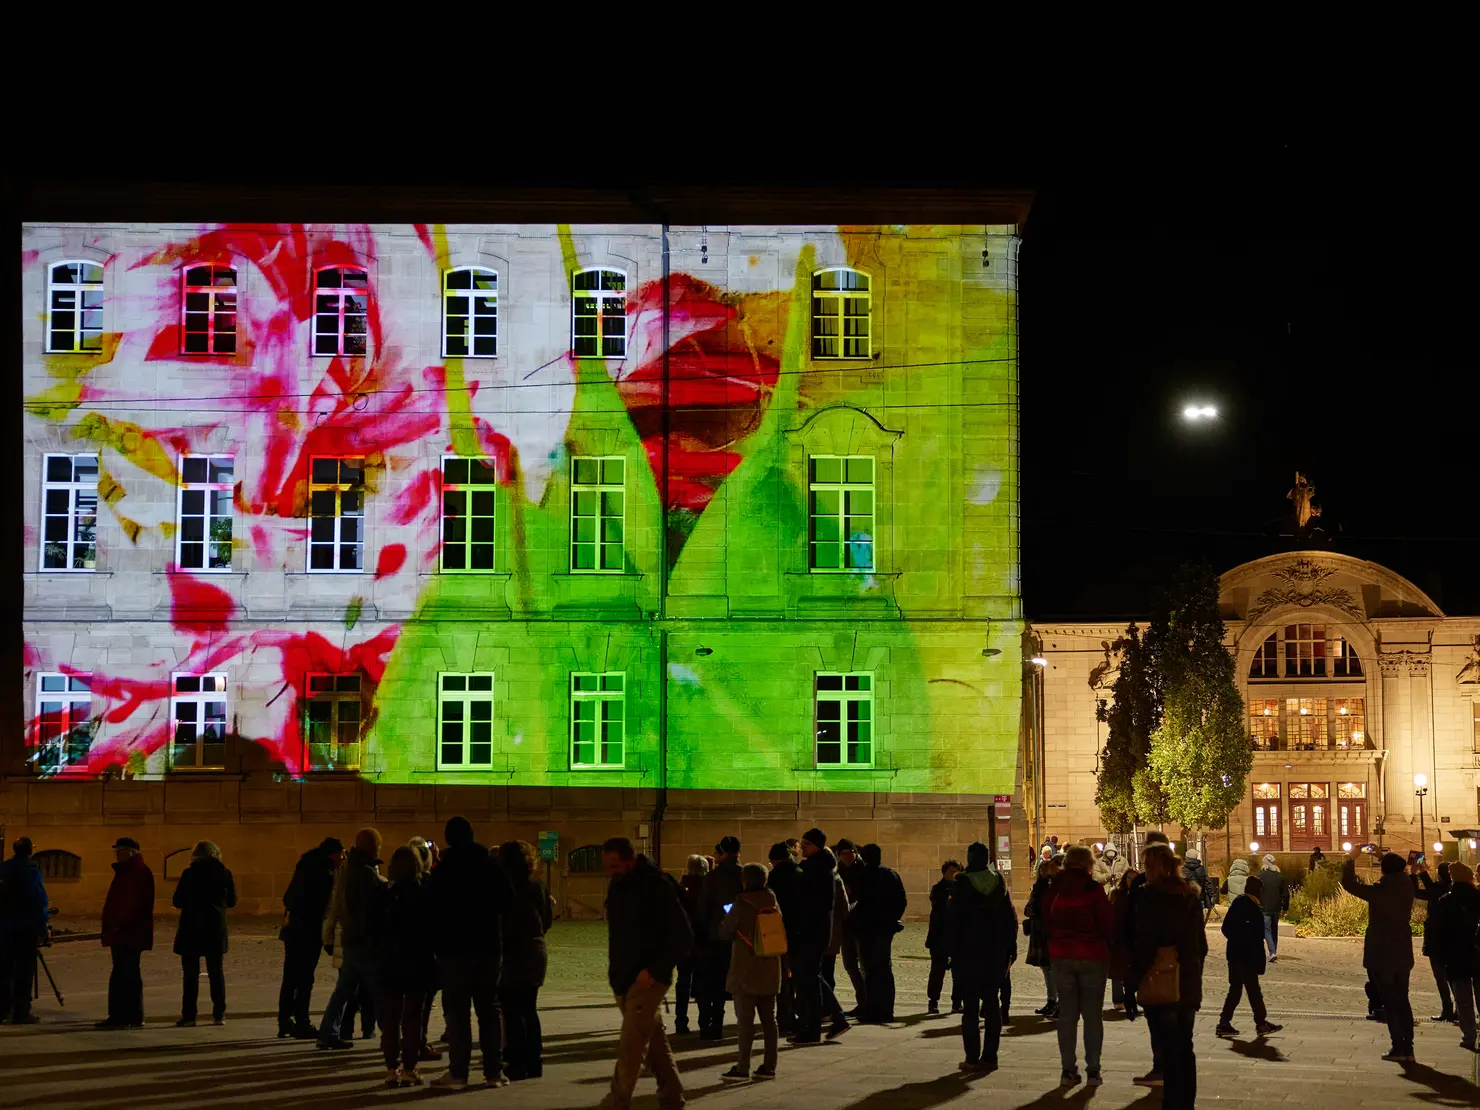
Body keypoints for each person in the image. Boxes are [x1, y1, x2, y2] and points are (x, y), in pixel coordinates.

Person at [600, 836, 691, 1110]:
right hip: (625, 977)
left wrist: (654, 971)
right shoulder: (618, 885)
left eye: (614, 865)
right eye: (607, 865)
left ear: (629, 860)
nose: (610, 870)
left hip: (647, 978)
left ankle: (616, 1102)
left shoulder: (655, 884)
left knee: (631, 1046)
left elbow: (682, 935)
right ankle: (671, 1095)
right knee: (654, 1044)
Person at [424, 816, 513, 1089]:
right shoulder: (490, 865)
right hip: (487, 948)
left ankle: (459, 1072)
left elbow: (431, 910)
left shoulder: (443, 870)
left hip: (454, 951)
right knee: (489, 1010)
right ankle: (493, 1072)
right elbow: (507, 903)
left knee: (458, 1013)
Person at [1129, 845, 1207, 1110]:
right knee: (1185, 1047)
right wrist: (1193, 975)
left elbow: (1144, 945)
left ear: (1154, 867)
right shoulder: (1190, 896)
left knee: (1167, 1045)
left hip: (1160, 979)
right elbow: (1201, 945)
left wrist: (1131, 982)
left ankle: (1172, 1104)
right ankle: (1185, 1104)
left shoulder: (1149, 897)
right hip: (1186, 980)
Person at [1043, 844, 1114, 1088]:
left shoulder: (1055, 888)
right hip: (1093, 956)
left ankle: (1067, 1069)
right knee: (1093, 1016)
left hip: (1061, 957)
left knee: (1068, 1015)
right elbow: (1107, 921)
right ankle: (1093, 1070)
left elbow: (1044, 919)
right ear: (1088, 864)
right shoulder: (1093, 889)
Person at [1341, 849, 1416, 1061]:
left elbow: (1350, 885)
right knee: (1403, 999)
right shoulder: (1406, 885)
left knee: (1390, 1002)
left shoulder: (1381, 891)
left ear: (1384, 871)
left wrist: (1350, 859)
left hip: (1383, 952)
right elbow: (1397, 869)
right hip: (1402, 949)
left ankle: (1398, 1047)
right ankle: (1408, 1047)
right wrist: (1382, 857)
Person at [371, 846, 436, 1087]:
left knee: (391, 1018)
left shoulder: (384, 893)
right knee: (413, 1017)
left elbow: (373, 928)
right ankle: (409, 1067)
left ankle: (391, 1068)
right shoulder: (425, 893)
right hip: (418, 961)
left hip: (390, 962)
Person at [949, 842, 1016, 1073]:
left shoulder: (962, 883)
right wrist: (1010, 948)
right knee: (991, 1003)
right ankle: (991, 1057)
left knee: (970, 1007)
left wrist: (952, 952)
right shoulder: (999, 882)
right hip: (995, 951)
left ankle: (971, 1058)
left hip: (968, 952)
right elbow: (1010, 918)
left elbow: (954, 922)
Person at [317, 827, 386, 1050]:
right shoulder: (366, 873)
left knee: (344, 989)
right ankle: (393, 1035)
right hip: (364, 941)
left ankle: (327, 1032)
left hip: (350, 937)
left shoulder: (348, 868)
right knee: (378, 991)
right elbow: (374, 908)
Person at [718, 863, 783, 1081]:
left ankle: (742, 1066)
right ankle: (770, 1065)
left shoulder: (741, 902)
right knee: (769, 1019)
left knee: (745, 1021)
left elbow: (725, 931)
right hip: (770, 965)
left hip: (746, 967)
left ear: (745, 880)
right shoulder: (772, 900)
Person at [277, 837, 342, 1038]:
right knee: (305, 978)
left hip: (294, 929)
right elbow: (325, 906)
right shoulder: (323, 873)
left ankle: (284, 1021)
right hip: (309, 931)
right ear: (332, 854)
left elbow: (288, 898)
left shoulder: (305, 866)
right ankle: (302, 1022)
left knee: (290, 977)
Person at [498, 840, 552, 1081]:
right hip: (535, 949)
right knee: (528, 1008)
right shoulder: (536, 887)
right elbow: (546, 919)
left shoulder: (504, 889)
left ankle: (517, 1062)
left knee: (512, 1009)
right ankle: (535, 1060)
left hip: (513, 952)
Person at [171, 841, 236, 1027]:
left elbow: (178, 900)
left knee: (190, 974)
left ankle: (189, 1015)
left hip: (191, 927)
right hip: (215, 928)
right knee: (216, 972)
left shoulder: (189, 874)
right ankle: (219, 1014)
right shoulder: (224, 874)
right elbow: (232, 901)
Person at [1124, 829, 1169, 1088]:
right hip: (1179, 970)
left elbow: (1131, 931)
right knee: (1176, 1027)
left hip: (1152, 968)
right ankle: (1172, 1071)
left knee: (1157, 1019)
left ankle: (1161, 1067)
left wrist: (1132, 976)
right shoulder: (1184, 887)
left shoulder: (1142, 889)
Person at [789, 828, 842, 1045]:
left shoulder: (812, 868)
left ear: (816, 846)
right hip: (818, 930)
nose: (801, 848)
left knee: (808, 979)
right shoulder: (823, 867)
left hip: (810, 930)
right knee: (813, 976)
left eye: (805, 844)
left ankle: (813, 1029)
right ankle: (836, 1017)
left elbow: (804, 901)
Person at [98, 836, 154, 1029]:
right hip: (130, 932)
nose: (116, 854)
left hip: (126, 932)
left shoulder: (133, 872)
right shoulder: (134, 871)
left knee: (122, 974)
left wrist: (116, 924)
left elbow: (127, 903)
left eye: (119, 850)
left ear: (129, 852)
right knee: (130, 973)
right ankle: (134, 1014)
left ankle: (120, 1016)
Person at [1215, 874, 1282, 1036]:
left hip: (1236, 955)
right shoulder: (1249, 907)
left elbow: (1227, 929)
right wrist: (1245, 943)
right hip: (1246, 957)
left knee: (1236, 989)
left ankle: (1224, 1023)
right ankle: (1260, 1023)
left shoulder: (1241, 904)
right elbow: (1251, 935)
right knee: (1253, 991)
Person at [695, 835, 743, 1040]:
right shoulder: (744, 875)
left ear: (723, 853)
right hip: (740, 938)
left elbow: (703, 910)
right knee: (729, 983)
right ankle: (723, 1024)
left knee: (709, 983)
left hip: (714, 937)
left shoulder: (713, 878)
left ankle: (708, 1024)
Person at [852, 843, 906, 1023]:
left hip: (867, 928)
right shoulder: (890, 875)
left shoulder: (863, 875)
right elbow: (901, 900)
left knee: (870, 969)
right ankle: (887, 1010)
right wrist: (892, 919)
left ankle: (872, 1010)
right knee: (884, 968)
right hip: (884, 928)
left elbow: (857, 900)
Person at [1428, 861, 1480, 1050]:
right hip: (1477, 953)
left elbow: (1439, 933)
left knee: (1463, 1000)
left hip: (1456, 957)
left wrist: (1441, 957)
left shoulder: (1445, 901)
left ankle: (1469, 1036)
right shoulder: (1477, 897)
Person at [0, 837, 49, 1024]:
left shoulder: (4, 868)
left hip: (4, 927)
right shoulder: (31, 871)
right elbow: (38, 900)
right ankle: (21, 1011)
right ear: (30, 851)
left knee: (4, 970)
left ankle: (2, 1009)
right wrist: (43, 925)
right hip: (25, 928)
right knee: (24, 971)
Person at [1413, 860, 1456, 1023]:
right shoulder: (1453, 889)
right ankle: (1457, 1008)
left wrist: (1419, 872)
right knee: (1452, 976)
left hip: (1437, 939)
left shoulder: (1440, 890)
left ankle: (1447, 1008)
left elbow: (1423, 891)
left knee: (1440, 975)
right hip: (1451, 939)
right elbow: (1421, 892)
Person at [765, 842, 799, 1034]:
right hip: (800, 931)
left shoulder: (776, 877)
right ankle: (797, 1014)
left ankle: (784, 1018)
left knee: (782, 977)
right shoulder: (801, 873)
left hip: (779, 931)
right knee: (795, 976)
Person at [834, 838, 867, 1017]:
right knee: (849, 963)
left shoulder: (863, 869)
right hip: (846, 924)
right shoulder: (839, 870)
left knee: (863, 963)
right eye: (842, 854)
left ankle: (866, 1001)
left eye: (849, 853)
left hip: (860, 924)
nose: (846, 856)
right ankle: (862, 999)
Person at [674, 854, 707, 1035]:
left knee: (683, 982)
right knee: (702, 982)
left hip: (685, 943)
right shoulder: (708, 888)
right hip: (703, 942)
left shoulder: (681, 889)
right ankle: (704, 1021)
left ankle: (681, 1020)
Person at [1024, 854, 1060, 1018]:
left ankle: (1058, 1002)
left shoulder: (1054, 886)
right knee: (1046, 968)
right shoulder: (1038, 886)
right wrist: (1029, 910)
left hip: (1049, 930)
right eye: (1043, 868)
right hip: (1039, 929)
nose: (1045, 871)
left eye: (1048, 868)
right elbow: (1029, 905)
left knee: (1053, 968)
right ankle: (1051, 1000)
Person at [926, 858, 962, 1015]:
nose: (953, 874)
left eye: (956, 871)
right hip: (939, 937)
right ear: (944, 872)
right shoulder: (938, 889)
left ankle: (957, 1002)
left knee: (959, 973)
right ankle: (933, 1001)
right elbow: (938, 907)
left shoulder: (962, 889)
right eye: (951, 871)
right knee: (937, 972)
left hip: (956, 937)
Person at [1108, 868, 1139, 1011]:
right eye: (1129, 878)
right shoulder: (1117, 894)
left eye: (1135, 878)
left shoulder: (1143, 895)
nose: (1132, 881)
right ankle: (1118, 998)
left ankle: (1130, 996)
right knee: (1117, 970)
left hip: (1135, 938)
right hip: (1119, 936)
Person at [1256, 855, 1289, 962]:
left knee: (1266, 929)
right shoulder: (1280, 877)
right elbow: (1285, 894)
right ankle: (1274, 950)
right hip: (1276, 907)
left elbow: (1256, 892)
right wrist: (1285, 908)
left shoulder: (1261, 876)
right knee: (1274, 929)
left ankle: (1272, 952)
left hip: (1264, 907)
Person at [1182, 849, 1211, 914]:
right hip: (1199, 898)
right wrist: (1211, 895)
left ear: (1186, 857)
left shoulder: (1182, 870)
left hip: (1186, 899)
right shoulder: (1202, 869)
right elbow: (1207, 884)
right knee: (1198, 919)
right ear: (1196, 857)